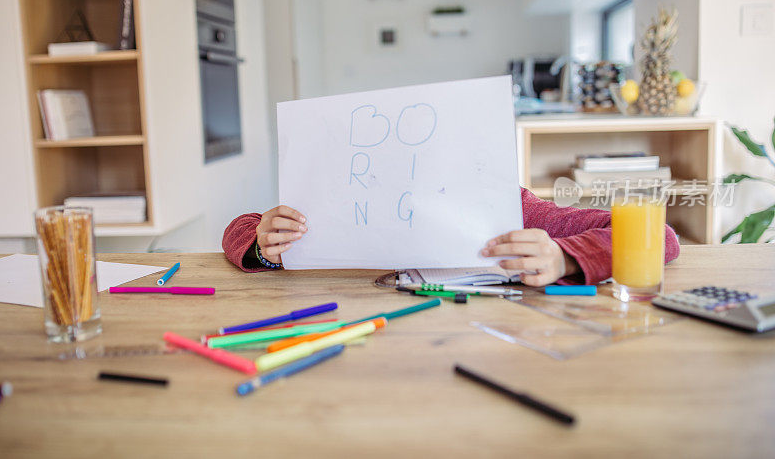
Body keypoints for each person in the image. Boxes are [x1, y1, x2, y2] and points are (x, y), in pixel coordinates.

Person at [222, 188, 680, 286]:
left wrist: (564, 257)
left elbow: (657, 235)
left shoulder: (513, 208)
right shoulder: (341, 201)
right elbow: (238, 228)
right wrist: (264, 246)